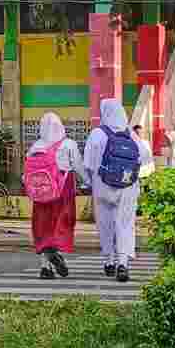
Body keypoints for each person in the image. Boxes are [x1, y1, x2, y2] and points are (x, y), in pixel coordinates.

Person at [83, 98, 152, 283]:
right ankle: (123, 263)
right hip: (127, 187)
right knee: (125, 223)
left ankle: (109, 261)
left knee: (105, 223)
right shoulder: (131, 135)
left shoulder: (97, 134)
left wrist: (91, 183)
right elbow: (145, 159)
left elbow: (88, 165)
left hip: (102, 186)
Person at [26, 112, 82, 279]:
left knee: (42, 226)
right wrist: (91, 182)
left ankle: (45, 268)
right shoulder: (69, 144)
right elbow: (78, 166)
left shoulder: (36, 146)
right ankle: (54, 251)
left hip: (40, 193)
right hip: (62, 190)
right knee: (60, 223)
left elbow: (27, 171)